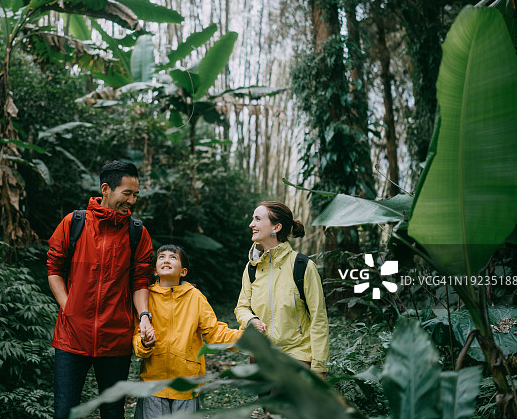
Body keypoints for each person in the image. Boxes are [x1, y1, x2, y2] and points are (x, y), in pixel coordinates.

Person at [46, 161, 155, 419]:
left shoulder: (137, 232)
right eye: (126, 193)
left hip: (116, 337)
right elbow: (53, 269)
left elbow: (140, 281)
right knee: (64, 412)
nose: (132, 201)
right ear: (106, 189)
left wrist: (144, 317)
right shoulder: (74, 223)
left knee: (113, 412)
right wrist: (68, 306)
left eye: (136, 195)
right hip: (71, 338)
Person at [133, 244, 242, 419]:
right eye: (161, 257)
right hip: (154, 383)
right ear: (154, 271)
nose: (166, 259)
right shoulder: (145, 298)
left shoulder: (195, 297)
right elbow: (137, 338)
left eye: (173, 257)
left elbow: (215, 332)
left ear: (183, 272)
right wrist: (145, 343)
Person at [234, 201, 329, 376]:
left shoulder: (303, 266)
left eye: (257, 219)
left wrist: (320, 368)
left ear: (276, 227)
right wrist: (250, 320)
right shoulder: (252, 268)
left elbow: (318, 319)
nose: (251, 224)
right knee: (268, 405)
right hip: (261, 358)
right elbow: (242, 307)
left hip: (296, 358)